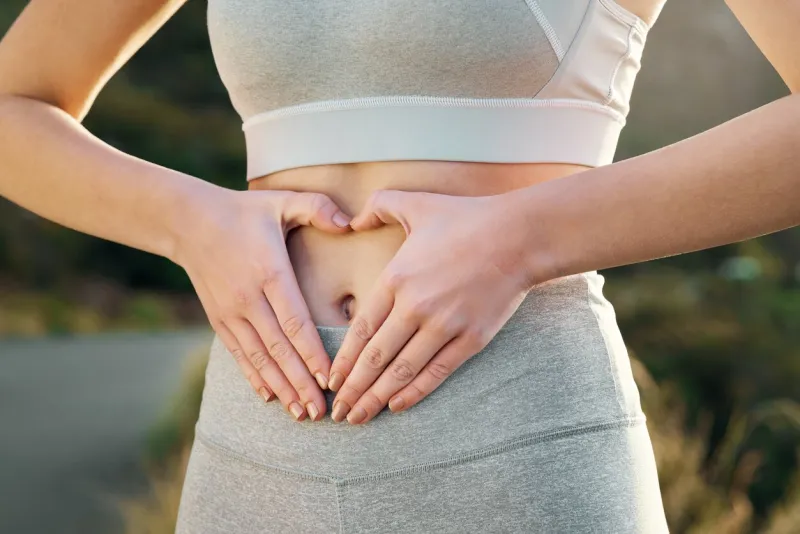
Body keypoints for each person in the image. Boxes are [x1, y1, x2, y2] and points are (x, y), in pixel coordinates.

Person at [0, 0, 796, 532]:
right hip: (254, 455)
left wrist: (525, 238)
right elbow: (16, 104)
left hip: (518, 438)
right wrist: (191, 222)